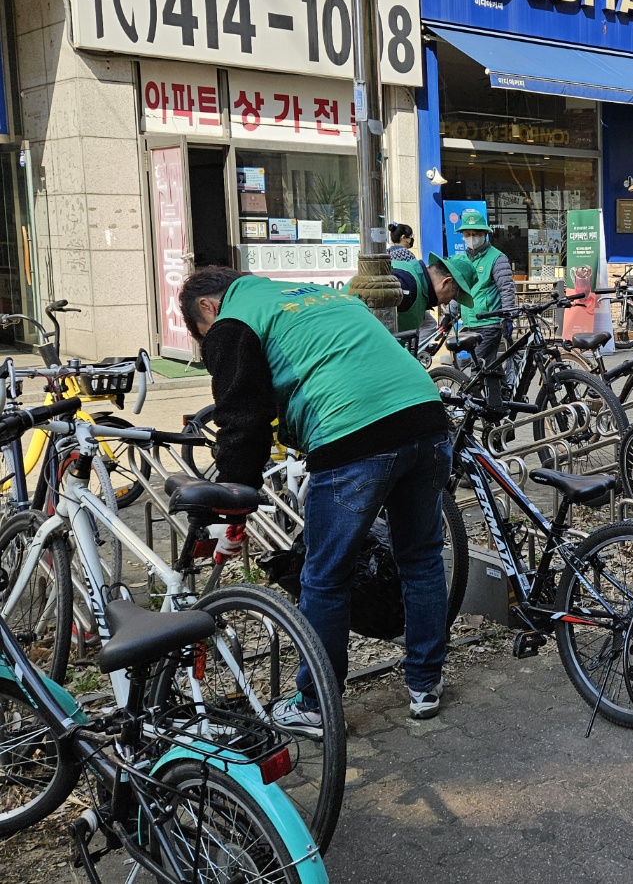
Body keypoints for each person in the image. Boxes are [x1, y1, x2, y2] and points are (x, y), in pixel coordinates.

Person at [178, 267, 452, 722]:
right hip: (426, 416)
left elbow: (241, 418)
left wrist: (233, 501)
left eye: (205, 336)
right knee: (420, 560)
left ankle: (314, 705)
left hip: (352, 434)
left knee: (325, 577)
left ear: (208, 307)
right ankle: (426, 684)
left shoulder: (232, 319)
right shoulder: (317, 293)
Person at [455, 209, 517, 365]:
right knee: (489, 368)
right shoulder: (461, 259)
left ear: (484, 234)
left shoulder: (497, 258)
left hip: (489, 323)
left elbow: (507, 289)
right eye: (467, 234)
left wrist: (507, 316)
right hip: (469, 323)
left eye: (475, 233)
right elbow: (457, 290)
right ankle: (500, 389)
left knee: (477, 366)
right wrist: (450, 314)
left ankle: (472, 391)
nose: (471, 238)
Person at [391, 252, 475, 348]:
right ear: (446, 282)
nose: (447, 302)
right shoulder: (407, 287)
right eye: (453, 296)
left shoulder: (410, 276)